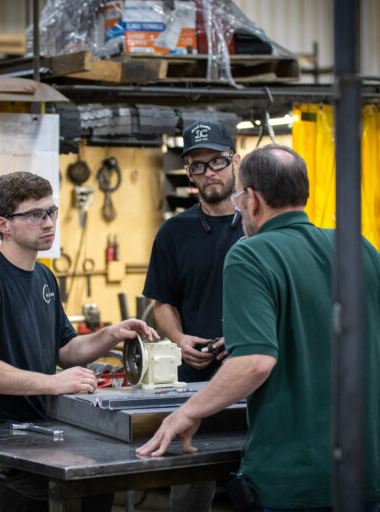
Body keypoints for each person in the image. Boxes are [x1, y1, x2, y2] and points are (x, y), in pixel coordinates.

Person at [137, 145, 380, 511]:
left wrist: (187, 412)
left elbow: (254, 361)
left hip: (291, 478)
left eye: (240, 199)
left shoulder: (250, 253)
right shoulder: (360, 248)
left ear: (252, 199)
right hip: (363, 474)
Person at [0, 171, 159, 512]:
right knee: (62, 489)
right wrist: (52, 383)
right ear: (3, 224)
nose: (48, 223)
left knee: (102, 480)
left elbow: (66, 350)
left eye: (51, 211)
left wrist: (109, 335)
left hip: (43, 424)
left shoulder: (45, 276)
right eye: (34, 214)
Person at [142, 120, 244, 512]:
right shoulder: (173, 233)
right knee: (190, 483)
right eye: (197, 166)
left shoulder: (258, 227)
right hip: (194, 382)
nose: (209, 173)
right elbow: (162, 302)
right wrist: (180, 340)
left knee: (256, 479)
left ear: (235, 161)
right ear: (189, 173)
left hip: (256, 377)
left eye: (216, 161)